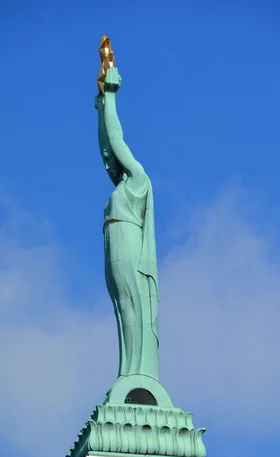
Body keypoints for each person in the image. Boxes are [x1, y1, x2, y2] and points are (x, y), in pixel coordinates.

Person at [95, 67, 159, 381]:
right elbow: (107, 149)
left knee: (132, 301)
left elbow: (116, 141)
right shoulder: (123, 186)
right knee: (122, 308)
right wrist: (100, 108)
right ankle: (129, 370)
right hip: (115, 240)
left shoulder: (138, 181)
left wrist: (111, 97)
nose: (115, 160)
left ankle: (139, 373)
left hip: (127, 241)